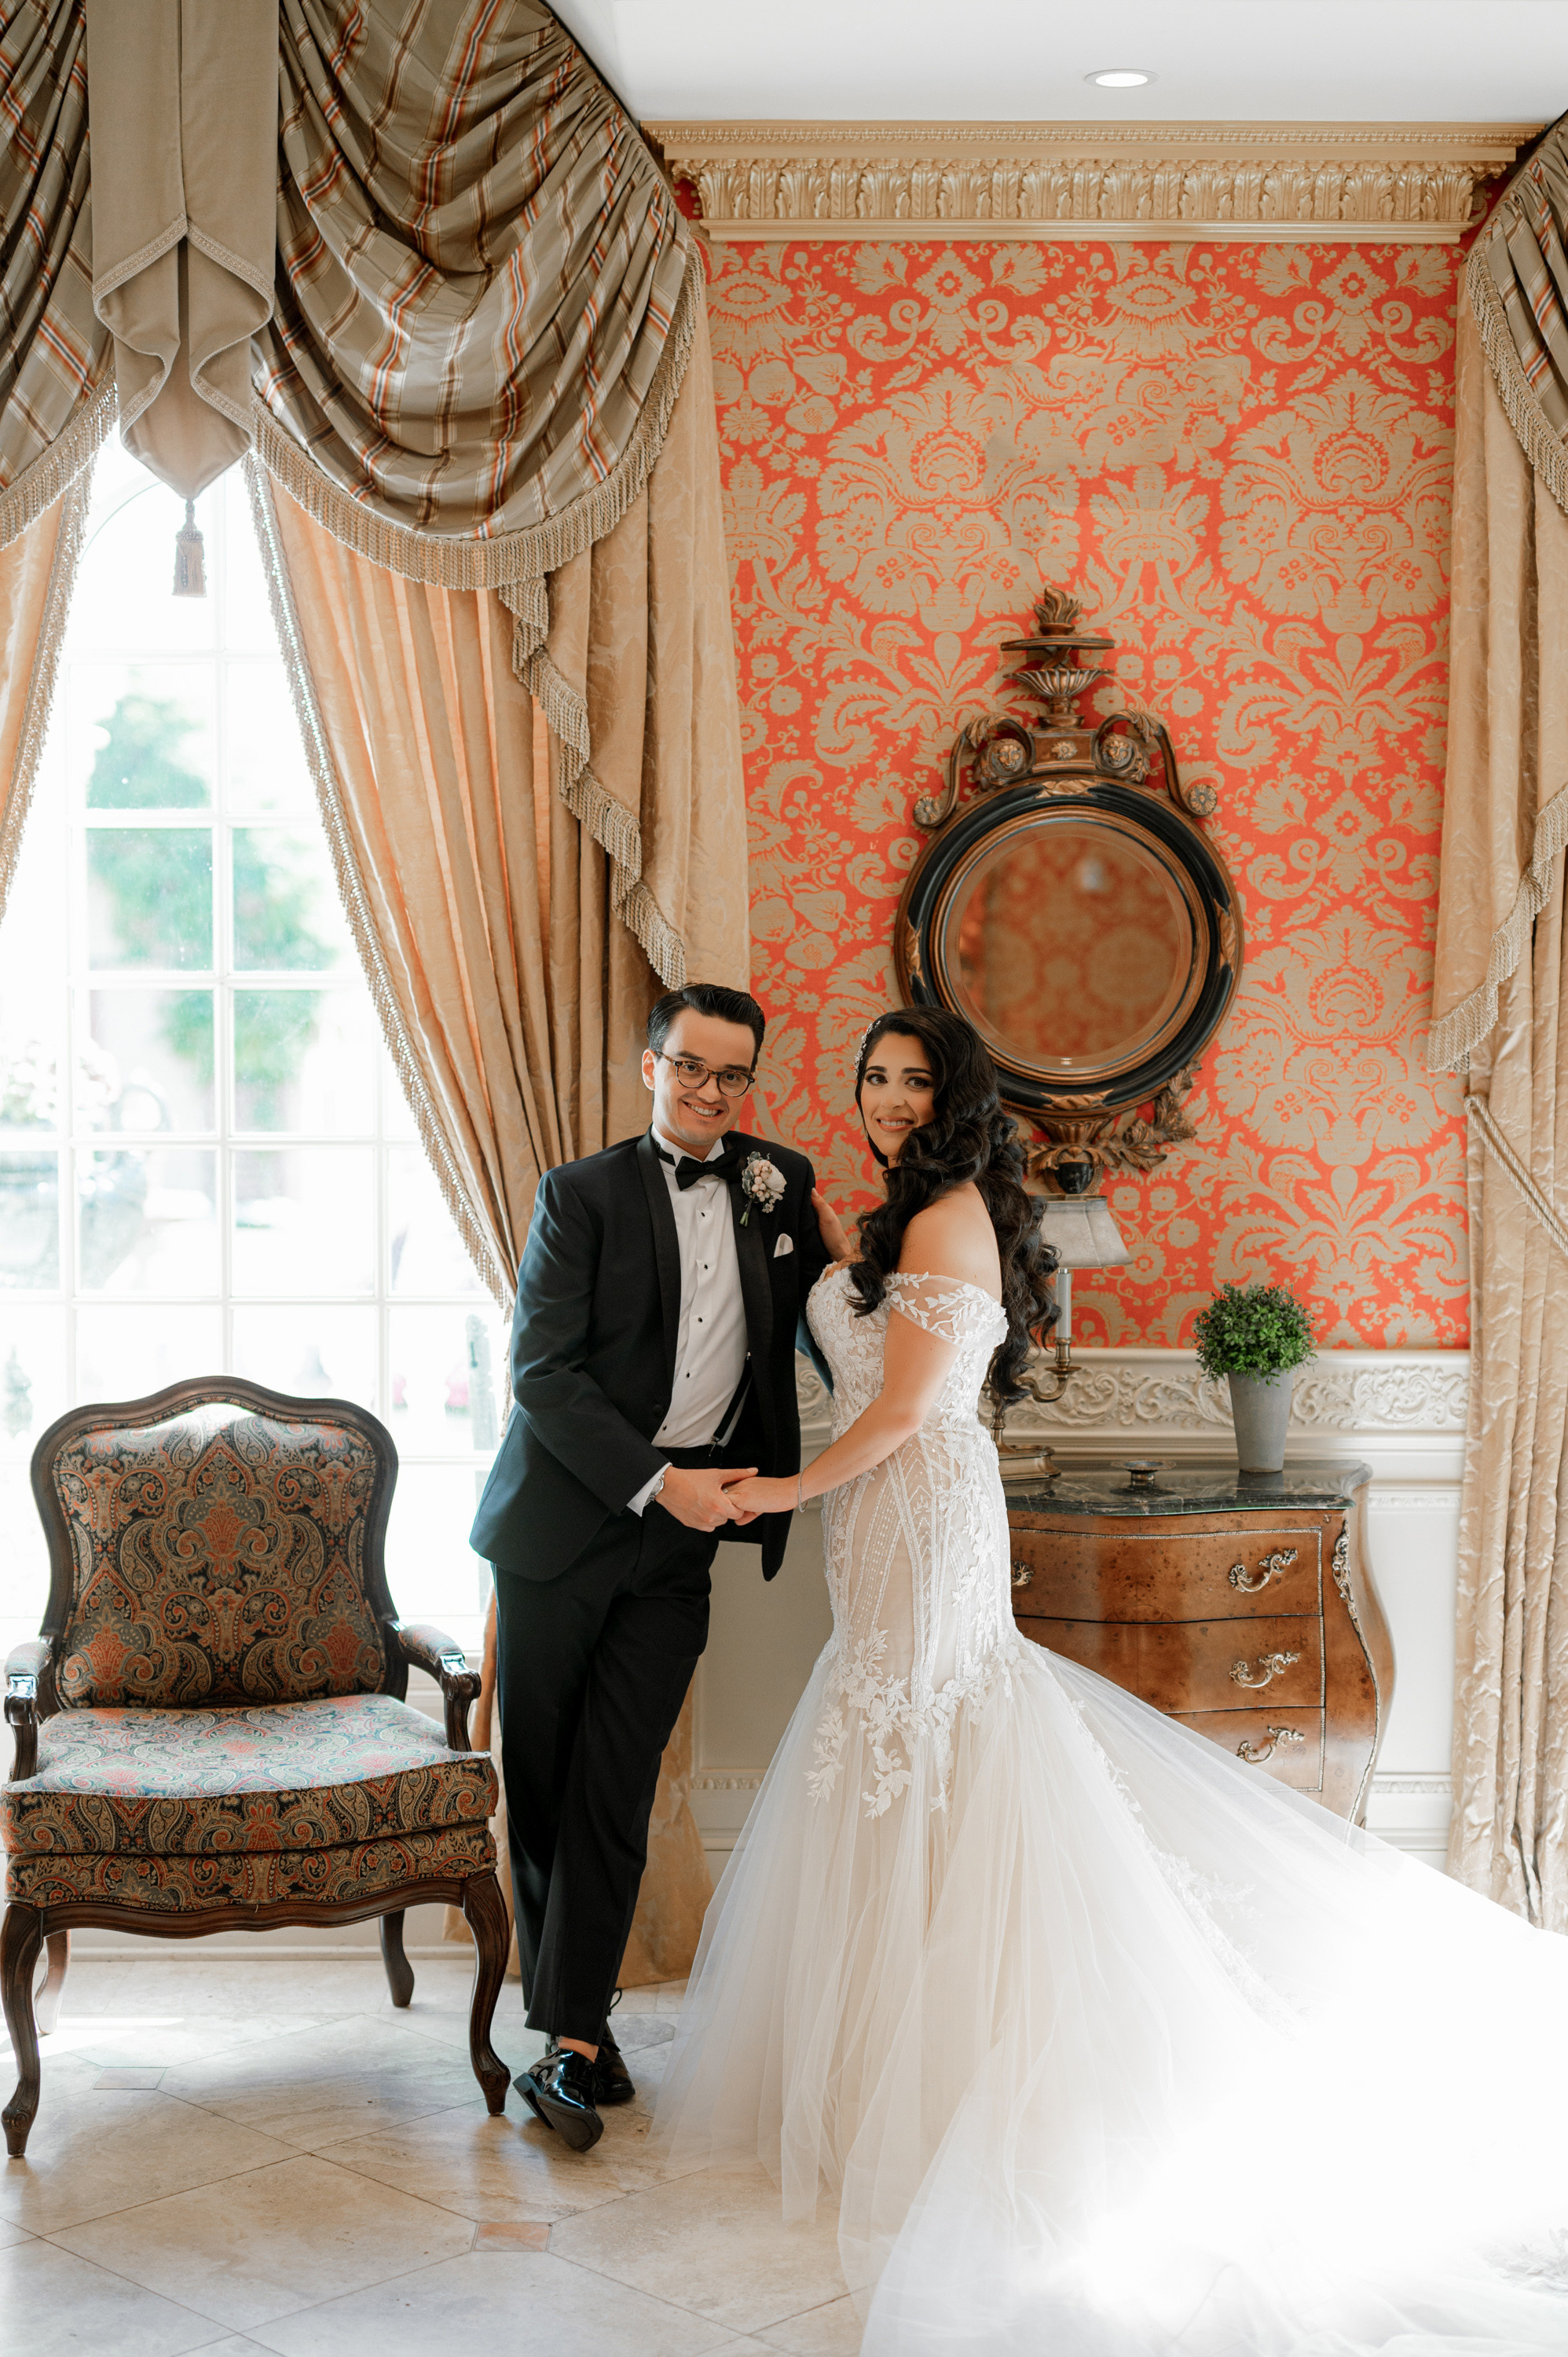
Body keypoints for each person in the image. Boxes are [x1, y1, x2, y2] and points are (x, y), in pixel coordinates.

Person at [654, 1005, 1568, 2355]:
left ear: (955, 1096)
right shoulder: (883, 1218)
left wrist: (776, 1492)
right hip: (880, 1527)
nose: (889, 1097)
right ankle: (864, 2078)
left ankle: (958, 2087)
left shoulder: (953, 1213)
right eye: (874, 1077)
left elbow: (905, 1410)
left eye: (914, 1080)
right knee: (883, 1741)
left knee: (939, 1739)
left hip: (924, 1506)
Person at [470, 981, 841, 2153]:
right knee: (541, 1781)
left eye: (734, 1075)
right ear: (649, 1065)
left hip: (689, 1534)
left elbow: (839, 1313)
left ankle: (567, 2047)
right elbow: (543, 1375)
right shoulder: (576, 1195)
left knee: (617, 1783)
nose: (711, 1094)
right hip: (559, 1530)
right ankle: (579, 2018)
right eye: (691, 1068)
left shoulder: (784, 1185)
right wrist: (655, 1480)